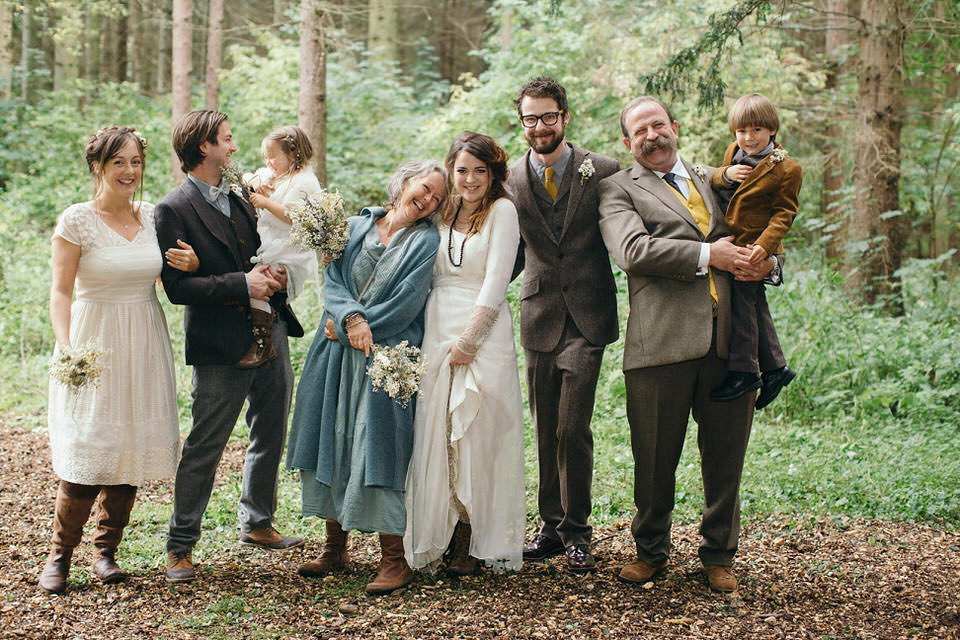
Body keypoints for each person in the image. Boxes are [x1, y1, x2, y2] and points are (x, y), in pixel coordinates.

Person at [598, 96, 780, 593]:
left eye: (658, 125)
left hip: (731, 344)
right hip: (659, 345)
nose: (651, 136)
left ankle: (719, 555)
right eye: (640, 131)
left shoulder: (721, 178)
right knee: (654, 458)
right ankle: (650, 551)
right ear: (628, 143)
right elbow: (633, 252)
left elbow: (762, 232)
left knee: (726, 458)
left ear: (674, 127)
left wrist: (768, 263)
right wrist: (710, 254)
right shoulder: (617, 189)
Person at [155, 110, 305, 585]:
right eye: (226, 138)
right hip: (220, 345)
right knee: (206, 443)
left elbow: (257, 255)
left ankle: (257, 521)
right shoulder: (172, 209)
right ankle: (180, 545)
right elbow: (178, 288)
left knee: (271, 430)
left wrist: (274, 276)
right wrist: (241, 284)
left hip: (272, 330)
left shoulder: (241, 193)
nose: (234, 145)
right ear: (204, 147)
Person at [286, 161, 447, 595]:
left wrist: (356, 326)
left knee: (379, 446)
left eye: (437, 197)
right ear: (404, 181)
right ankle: (334, 547)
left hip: (386, 356)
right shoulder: (359, 224)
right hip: (335, 353)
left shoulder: (426, 240)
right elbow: (333, 279)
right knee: (332, 439)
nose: (429, 199)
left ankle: (393, 559)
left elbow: (408, 303)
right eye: (425, 188)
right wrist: (348, 317)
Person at [41, 126, 185, 594]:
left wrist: (191, 266)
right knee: (90, 448)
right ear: (98, 166)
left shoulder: (153, 217)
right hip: (93, 338)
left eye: (136, 162)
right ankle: (60, 556)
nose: (130, 171)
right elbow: (61, 292)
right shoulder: (76, 220)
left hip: (142, 336)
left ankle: (106, 554)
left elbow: (164, 278)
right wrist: (67, 346)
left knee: (128, 448)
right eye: (119, 162)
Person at [506, 77, 620, 573]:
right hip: (538, 315)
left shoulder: (604, 171)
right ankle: (549, 528)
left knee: (573, 428)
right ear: (522, 123)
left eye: (548, 116)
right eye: (530, 118)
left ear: (564, 117)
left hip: (588, 317)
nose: (539, 126)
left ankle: (578, 533)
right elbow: (506, 253)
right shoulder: (507, 179)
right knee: (546, 427)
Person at [403, 133, 525, 576]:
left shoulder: (504, 211)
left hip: (483, 331)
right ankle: (446, 529)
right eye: (462, 170)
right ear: (450, 169)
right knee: (436, 430)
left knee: (476, 431)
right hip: (436, 324)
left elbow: (497, 279)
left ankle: (475, 536)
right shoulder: (443, 209)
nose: (470, 179)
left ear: (492, 174)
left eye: (480, 171)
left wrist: (470, 341)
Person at [708, 93, 800, 409]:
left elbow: (784, 214)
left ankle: (745, 370)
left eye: (757, 131)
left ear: (772, 130)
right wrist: (725, 174)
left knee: (743, 308)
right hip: (730, 238)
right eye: (742, 131)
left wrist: (763, 247)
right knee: (754, 303)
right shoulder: (734, 152)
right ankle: (776, 368)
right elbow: (717, 179)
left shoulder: (786, 167)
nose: (748, 138)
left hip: (752, 247)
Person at [232, 125, 322, 368]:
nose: (269, 162)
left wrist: (266, 202)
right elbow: (247, 175)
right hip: (269, 242)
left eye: (273, 156)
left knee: (263, 281)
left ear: (294, 155)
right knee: (255, 279)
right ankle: (265, 324)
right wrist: (253, 180)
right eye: (266, 157)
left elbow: (295, 217)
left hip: (289, 250)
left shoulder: (305, 182)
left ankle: (262, 340)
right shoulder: (276, 175)